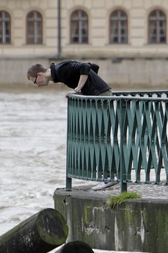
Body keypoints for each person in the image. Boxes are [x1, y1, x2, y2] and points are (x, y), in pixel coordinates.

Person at [27, 60, 117, 190]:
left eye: (34, 81)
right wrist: (88, 87)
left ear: (39, 75)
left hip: (100, 97)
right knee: (99, 138)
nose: (36, 85)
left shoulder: (61, 70)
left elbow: (85, 67)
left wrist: (78, 89)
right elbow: (93, 67)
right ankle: (110, 175)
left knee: (100, 139)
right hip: (100, 96)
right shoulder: (58, 72)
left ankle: (110, 176)